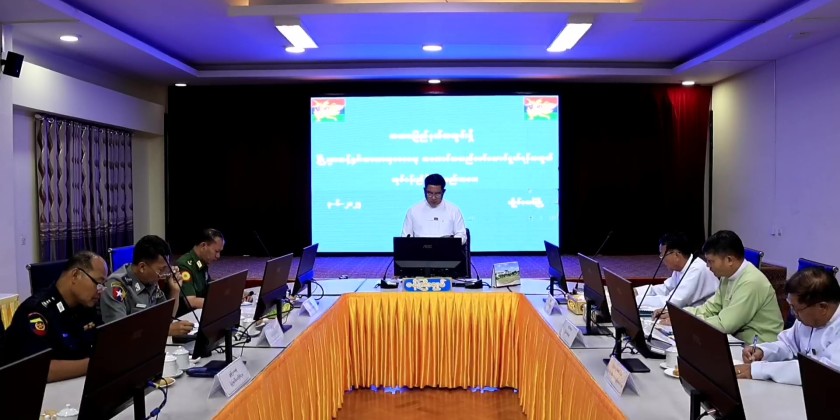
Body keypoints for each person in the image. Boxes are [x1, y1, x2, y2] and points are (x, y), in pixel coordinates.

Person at [657, 230, 783, 343]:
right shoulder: (727, 275)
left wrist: (684, 321)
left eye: (711, 261)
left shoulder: (751, 282)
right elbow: (711, 308)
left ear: (729, 260)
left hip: (757, 347)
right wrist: (679, 314)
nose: (707, 266)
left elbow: (725, 325)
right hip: (737, 339)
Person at [2, 251, 107, 382]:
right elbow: (39, 369)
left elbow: (101, 340)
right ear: (75, 275)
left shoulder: (85, 305)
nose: (100, 290)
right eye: (98, 283)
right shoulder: (36, 311)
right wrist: (95, 363)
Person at [735, 267, 840, 385]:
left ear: (822, 307)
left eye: (796, 309)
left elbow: (820, 372)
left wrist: (758, 370)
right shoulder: (808, 318)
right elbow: (788, 345)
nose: (793, 313)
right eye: (791, 306)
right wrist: (763, 351)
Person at [99, 235, 193, 336]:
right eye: (161, 269)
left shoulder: (150, 280)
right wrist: (165, 330)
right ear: (142, 267)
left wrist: (175, 291)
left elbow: (166, 319)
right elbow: (120, 333)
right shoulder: (115, 287)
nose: (164, 274)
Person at [636, 232, 718, 309]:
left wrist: (637, 299)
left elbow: (671, 303)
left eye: (662, 255)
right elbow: (665, 288)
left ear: (676, 255)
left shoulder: (696, 270)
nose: (661, 259)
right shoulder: (681, 267)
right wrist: (637, 291)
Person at [402, 173, 467, 245]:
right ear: (424, 191)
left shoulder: (453, 210)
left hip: (446, 250)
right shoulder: (413, 211)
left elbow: (462, 235)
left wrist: (449, 242)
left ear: (443, 192)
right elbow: (405, 238)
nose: (433, 197)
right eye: (429, 193)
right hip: (419, 250)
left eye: (437, 194)